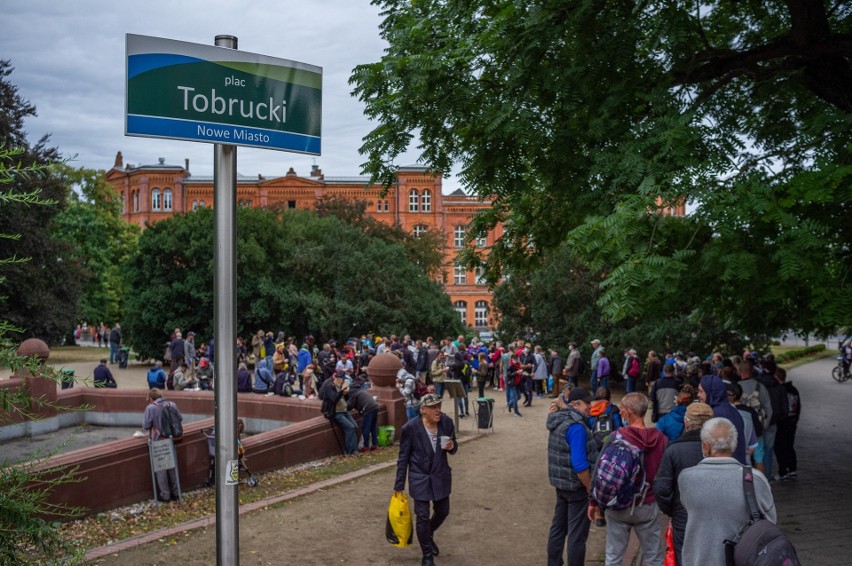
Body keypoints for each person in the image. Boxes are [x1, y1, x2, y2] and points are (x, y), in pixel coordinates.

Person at [679, 417, 777, 566]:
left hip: (698, 560)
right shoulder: (755, 479)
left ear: (705, 446)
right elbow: (771, 521)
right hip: (744, 560)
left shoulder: (686, 478)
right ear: (734, 445)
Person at [589, 392, 667, 566]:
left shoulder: (616, 437)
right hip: (647, 503)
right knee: (654, 557)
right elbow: (666, 474)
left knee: (614, 557)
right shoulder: (661, 440)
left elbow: (599, 471)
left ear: (630, 412)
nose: (621, 412)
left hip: (618, 504)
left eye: (623, 409)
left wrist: (593, 501)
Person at [394, 393, 458, 566]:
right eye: (433, 407)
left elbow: (453, 447)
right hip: (419, 477)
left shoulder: (447, 423)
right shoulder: (410, 428)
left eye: (439, 406)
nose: (438, 410)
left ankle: (428, 536)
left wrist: (452, 446)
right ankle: (427, 555)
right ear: (423, 410)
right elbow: (403, 458)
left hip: (440, 475)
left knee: (443, 511)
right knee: (422, 516)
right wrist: (399, 485)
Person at [653, 402, 714, 566]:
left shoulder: (674, 450)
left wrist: (672, 509)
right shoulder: (719, 449)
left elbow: (661, 489)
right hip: (714, 519)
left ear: (686, 422)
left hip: (683, 519)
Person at [546, 387, 598, 566]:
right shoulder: (576, 427)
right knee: (577, 536)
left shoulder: (559, 420)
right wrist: (590, 487)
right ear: (575, 404)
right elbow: (580, 465)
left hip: (561, 485)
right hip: (576, 489)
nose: (590, 407)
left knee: (558, 529)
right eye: (587, 403)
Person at [698, 373, 748, 464]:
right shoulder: (731, 409)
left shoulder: (716, 414)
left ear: (711, 392)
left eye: (701, 391)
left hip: (725, 466)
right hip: (736, 464)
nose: (698, 395)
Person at [142, 389, 181, 502]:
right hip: (171, 439)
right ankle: (177, 493)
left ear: (150, 398)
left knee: (161, 468)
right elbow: (180, 418)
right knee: (172, 466)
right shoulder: (172, 404)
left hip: (158, 440)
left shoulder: (151, 408)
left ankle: (165, 496)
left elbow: (146, 425)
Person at [320, 372, 359, 455]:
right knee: (350, 427)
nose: (343, 381)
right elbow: (334, 398)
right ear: (338, 379)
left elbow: (344, 398)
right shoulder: (330, 387)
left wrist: (346, 393)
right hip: (336, 412)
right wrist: (341, 391)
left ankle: (354, 448)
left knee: (355, 426)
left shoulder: (340, 386)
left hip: (344, 410)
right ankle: (350, 450)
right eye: (342, 379)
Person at [773, 367, 800, 480]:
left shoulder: (779, 390)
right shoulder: (793, 389)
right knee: (789, 446)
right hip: (792, 421)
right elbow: (798, 406)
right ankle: (792, 468)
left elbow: (778, 407)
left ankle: (783, 471)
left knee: (779, 447)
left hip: (782, 422)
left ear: (777, 377)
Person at [347, 379, 379, 452]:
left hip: (368, 409)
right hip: (374, 406)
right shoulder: (361, 390)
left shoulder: (353, 393)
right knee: (373, 427)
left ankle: (366, 446)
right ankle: (375, 444)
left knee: (366, 428)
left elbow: (349, 406)